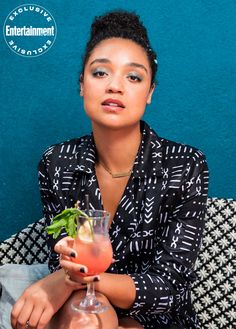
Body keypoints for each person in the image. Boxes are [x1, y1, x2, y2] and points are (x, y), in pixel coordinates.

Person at [11, 9, 209, 329]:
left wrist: (64, 281)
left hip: (155, 318)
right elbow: (66, 255)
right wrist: (69, 279)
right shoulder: (57, 163)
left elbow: (170, 285)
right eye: (101, 72)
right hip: (85, 305)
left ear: (150, 93)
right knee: (79, 317)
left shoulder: (184, 165)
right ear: (81, 85)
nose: (115, 86)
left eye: (133, 77)